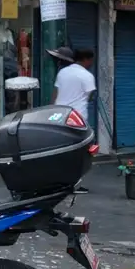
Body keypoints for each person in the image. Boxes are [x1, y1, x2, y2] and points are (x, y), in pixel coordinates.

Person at [48, 46, 96, 193]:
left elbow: (55, 94)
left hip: (59, 116)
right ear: (87, 60)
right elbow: (90, 96)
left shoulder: (63, 72)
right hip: (77, 118)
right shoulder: (87, 76)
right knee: (77, 153)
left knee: (59, 150)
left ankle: (56, 182)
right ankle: (73, 184)